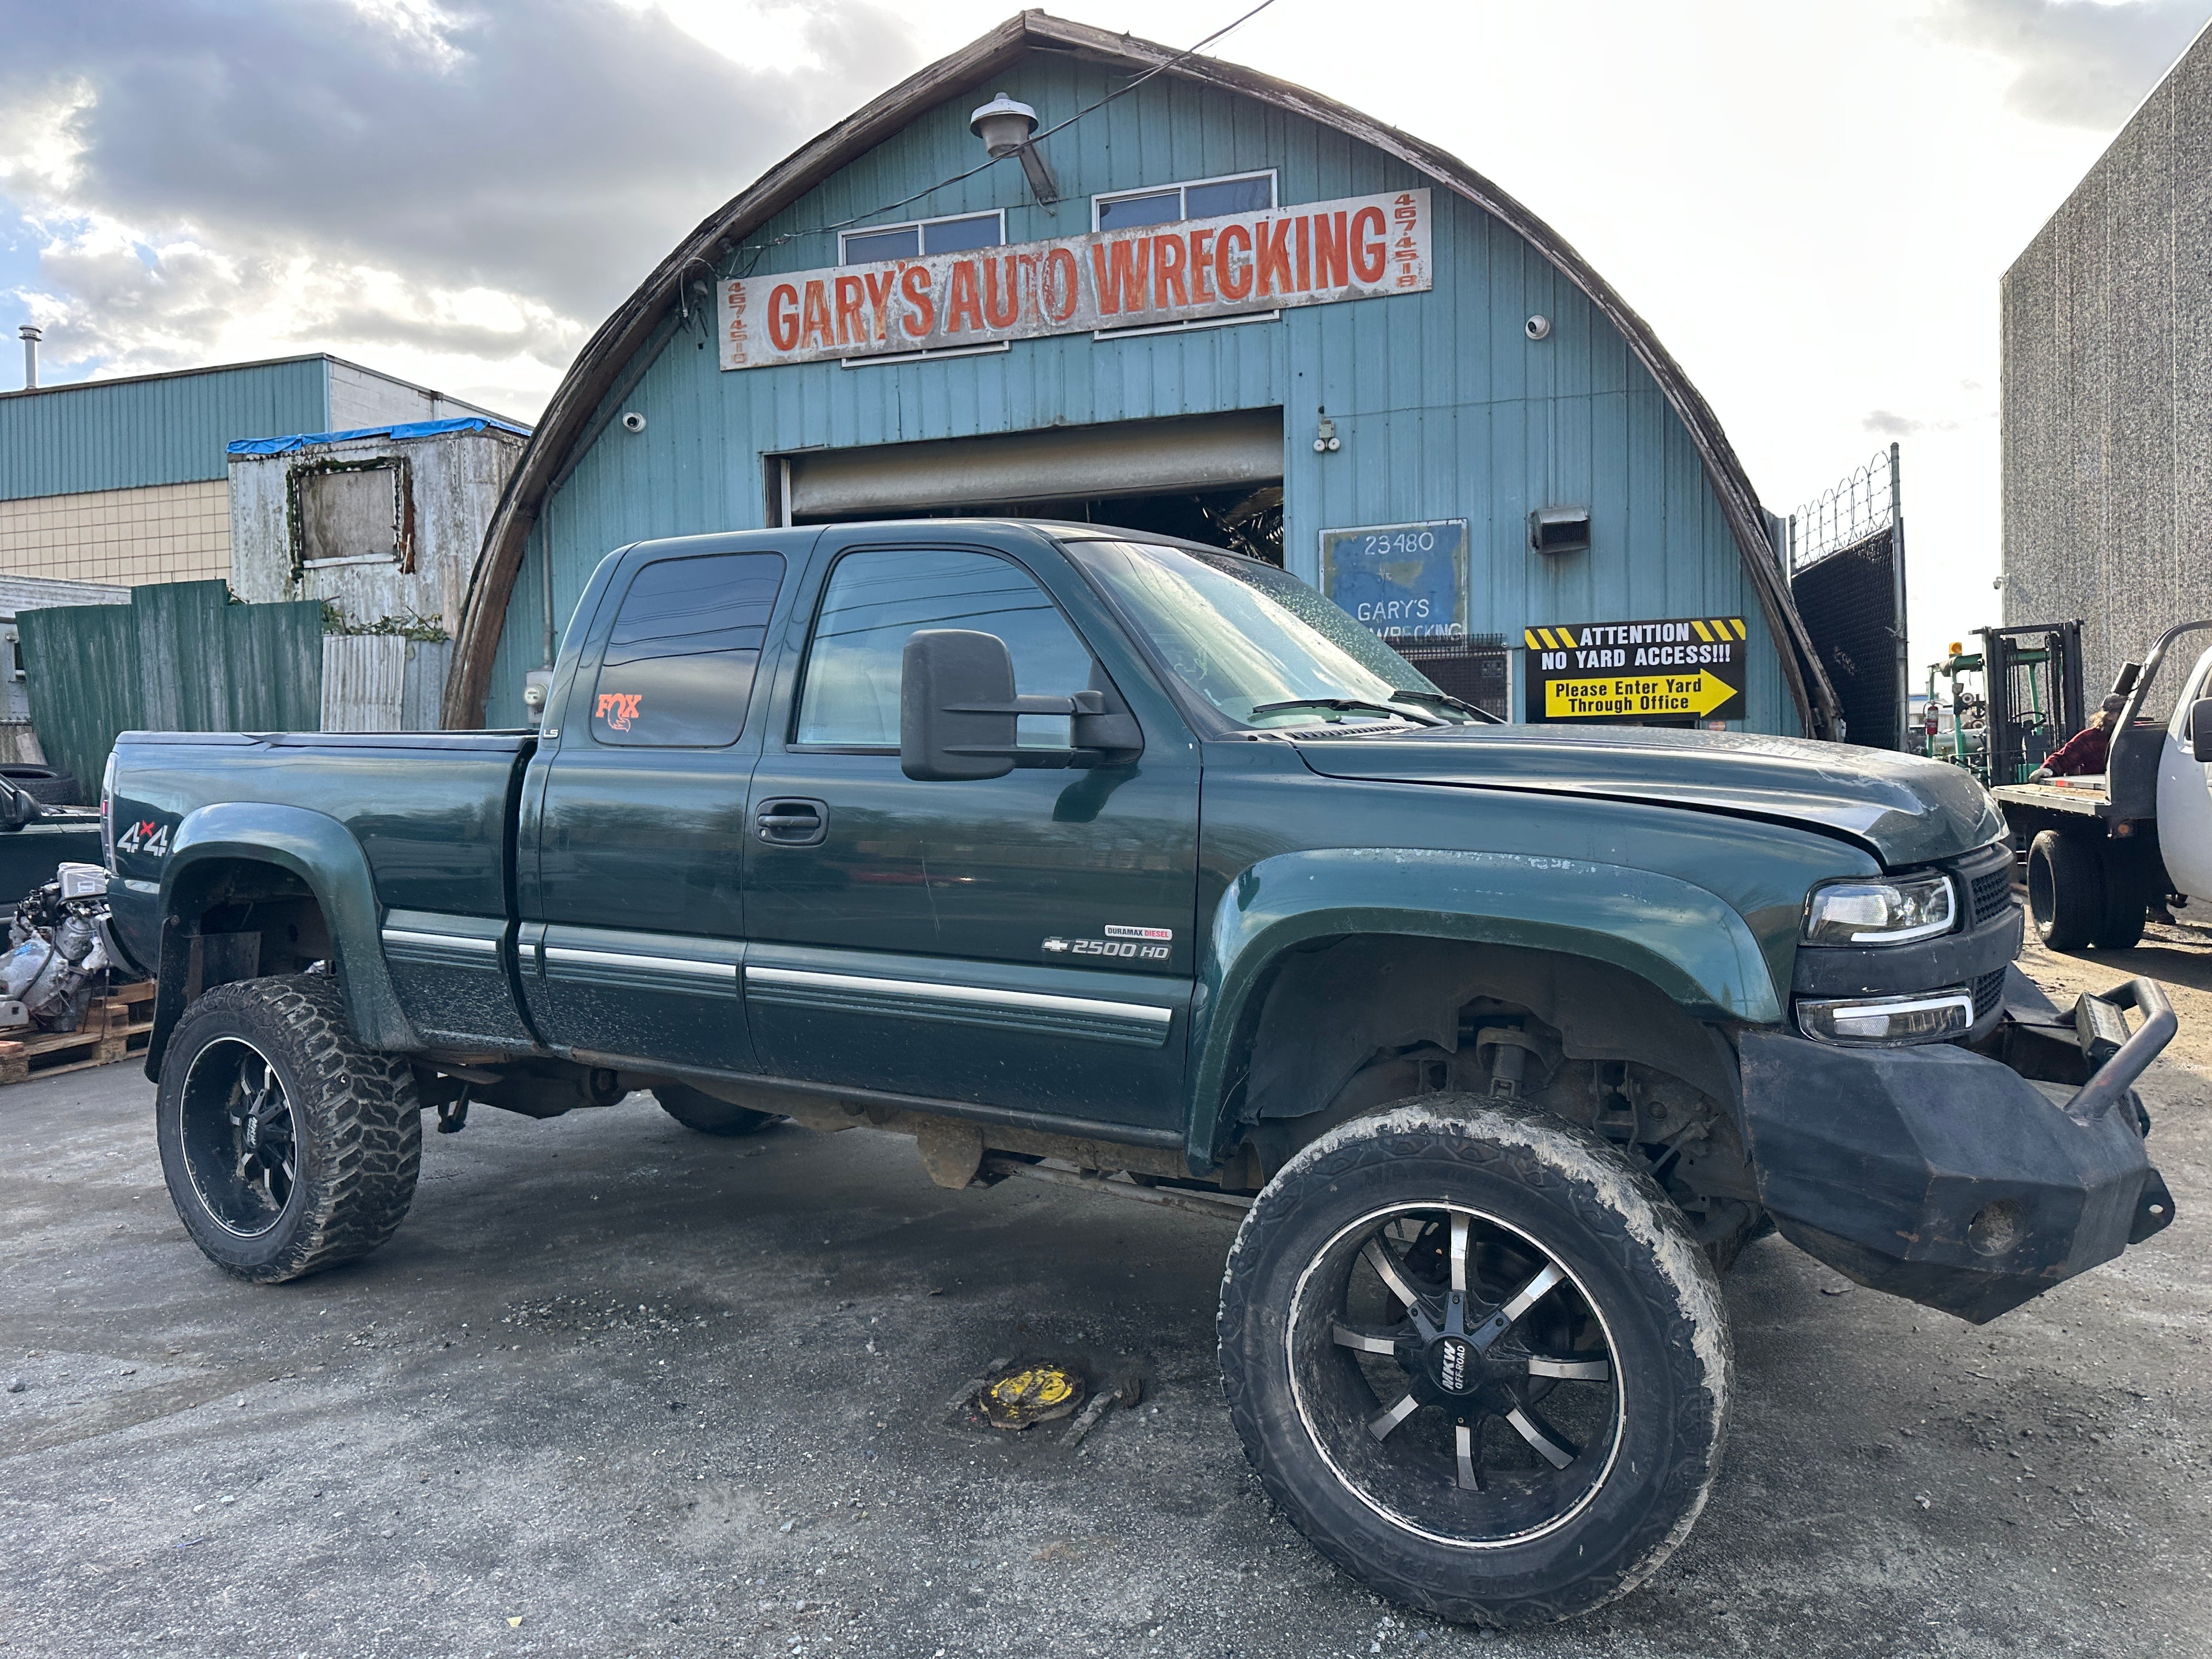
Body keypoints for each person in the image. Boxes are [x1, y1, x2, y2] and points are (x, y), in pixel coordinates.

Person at [2031, 694, 2127, 781]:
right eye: (2121, 713)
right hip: (2100, 791)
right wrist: (2048, 769)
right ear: (2108, 715)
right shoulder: (2090, 738)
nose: (2126, 717)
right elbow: (2066, 757)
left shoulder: (2136, 733)